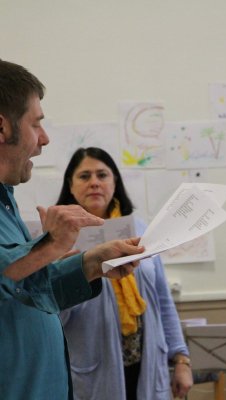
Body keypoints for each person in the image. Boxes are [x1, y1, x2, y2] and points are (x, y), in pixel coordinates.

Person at [0, 59, 145, 400]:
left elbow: (29, 288)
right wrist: (51, 244)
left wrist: (92, 263)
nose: (44, 139)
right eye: (36, 124)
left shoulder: (6, 201)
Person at [56, 147, 193, 400]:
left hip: (147, 366)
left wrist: (181, 359)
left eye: (102, 175)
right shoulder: (60, 239)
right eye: (84, 176)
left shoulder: (139, 229)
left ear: (114, 182)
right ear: (71, 186)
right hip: (92, 371)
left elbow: (162, 299)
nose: (94, 182)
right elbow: (54, 314)